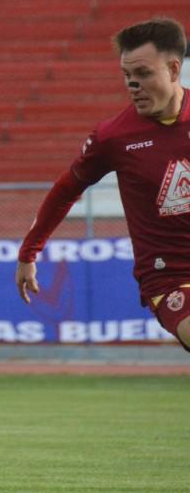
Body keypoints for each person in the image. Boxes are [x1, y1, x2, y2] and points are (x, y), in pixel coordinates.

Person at [16, 17, 190, 349]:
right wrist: (29, 252)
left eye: (143, 74)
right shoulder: (114, 137)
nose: (132, 85)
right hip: (170, 279)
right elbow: (66, 190)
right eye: (127, 76)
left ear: (173, 69)